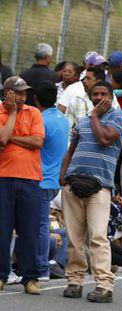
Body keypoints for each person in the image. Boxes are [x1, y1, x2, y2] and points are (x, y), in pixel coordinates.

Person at [59, 81, 122, 303]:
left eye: (103, 94)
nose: (99, 97)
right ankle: (74, 280)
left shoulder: (119, 118)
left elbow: (105, 138)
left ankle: (104, 285)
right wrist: (63, 176)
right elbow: (72, 148)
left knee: (98, 237)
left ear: (111, 97)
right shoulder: (82, 121)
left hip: (99, 187)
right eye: (95, 94)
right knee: (74, 237)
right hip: (73, 184)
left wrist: (95, 116)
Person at [0, 76, 45, 295]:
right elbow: (1, 138)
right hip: (3, 177)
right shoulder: (1, 112)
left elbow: (37, 141)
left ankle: (30, 278)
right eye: (17, 92)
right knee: (2, 230)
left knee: (29, 231)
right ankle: (1, 275)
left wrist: (12, 138)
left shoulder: (34, 113)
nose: (21, 96)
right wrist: (13, 114)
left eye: (24, 93)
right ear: (6, 93)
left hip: (30, 178)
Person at [36, 81, 70, 281]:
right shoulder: (63, 119)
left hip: (40, 179)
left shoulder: (41, 120)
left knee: (38, 226)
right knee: (39, 224)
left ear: (36, 99)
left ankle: (41, 269)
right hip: (54, 181)